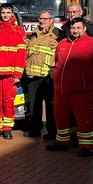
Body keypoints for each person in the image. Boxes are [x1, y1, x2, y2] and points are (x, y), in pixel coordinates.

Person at [47, 18, 93, 157]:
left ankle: (86, 147)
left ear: (84, 28)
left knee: (84, 119)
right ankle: (62, 143)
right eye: (73, 28)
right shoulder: (62, 43)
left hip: (83, 91)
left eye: (78, 28)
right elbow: (56, 62)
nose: (75, 31)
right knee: (61, 118)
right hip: (61, 90)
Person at [0, 3, 26, 140]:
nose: (6, 15)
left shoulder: (19, 31)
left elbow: (21, 54)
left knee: (8, 101)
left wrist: (17, 74)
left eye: (8, 12)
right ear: (0, 14)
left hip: (10, 75)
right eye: (4, 13)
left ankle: (7, 128)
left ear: (12, 13)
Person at [21, 10, 60, 139]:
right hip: (33, 76)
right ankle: (35, 129)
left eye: (45, 19)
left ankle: (52, 131)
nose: (42, 21)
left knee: (50, 106)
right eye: (40, 18)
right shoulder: (34, 34)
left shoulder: (57, 34)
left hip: (48, 77)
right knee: (34, 105)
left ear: (51, 20)